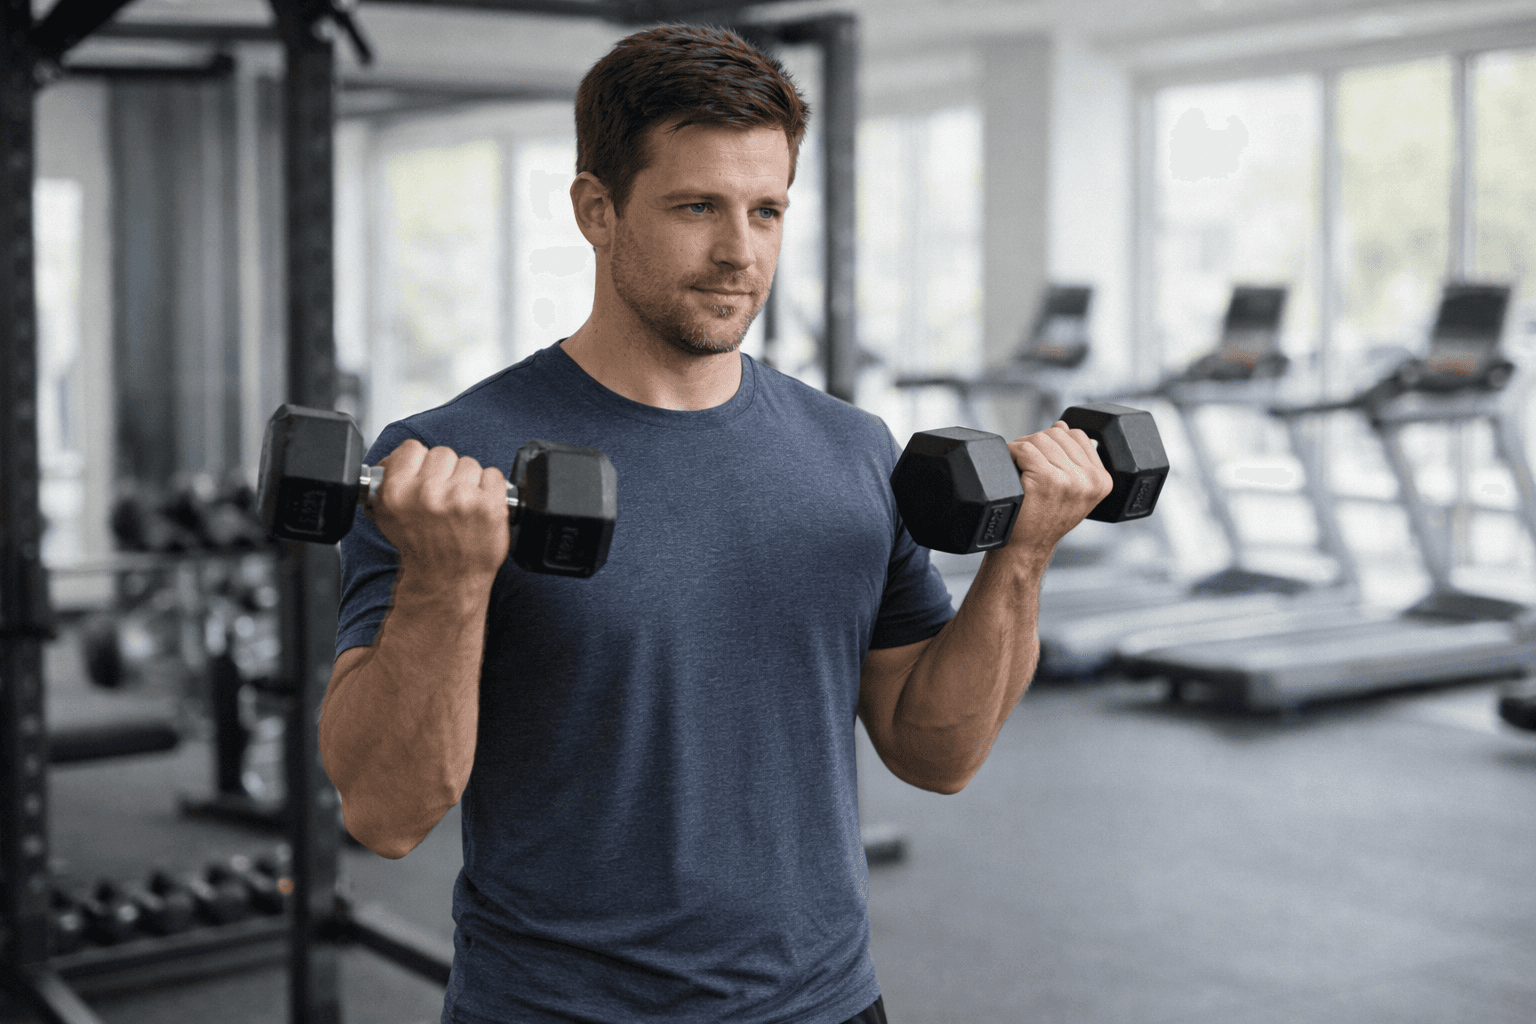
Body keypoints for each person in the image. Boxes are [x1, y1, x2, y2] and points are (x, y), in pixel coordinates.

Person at [320, 23, 1111, 1024]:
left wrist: (1025, 553)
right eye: (697, 207)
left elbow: (934, 751)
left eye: (767, 210)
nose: (741, 252)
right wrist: (447, 579)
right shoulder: (447, 462)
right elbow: (385, 814)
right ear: (595, 210)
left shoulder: (852, 448)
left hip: (825, 1005)